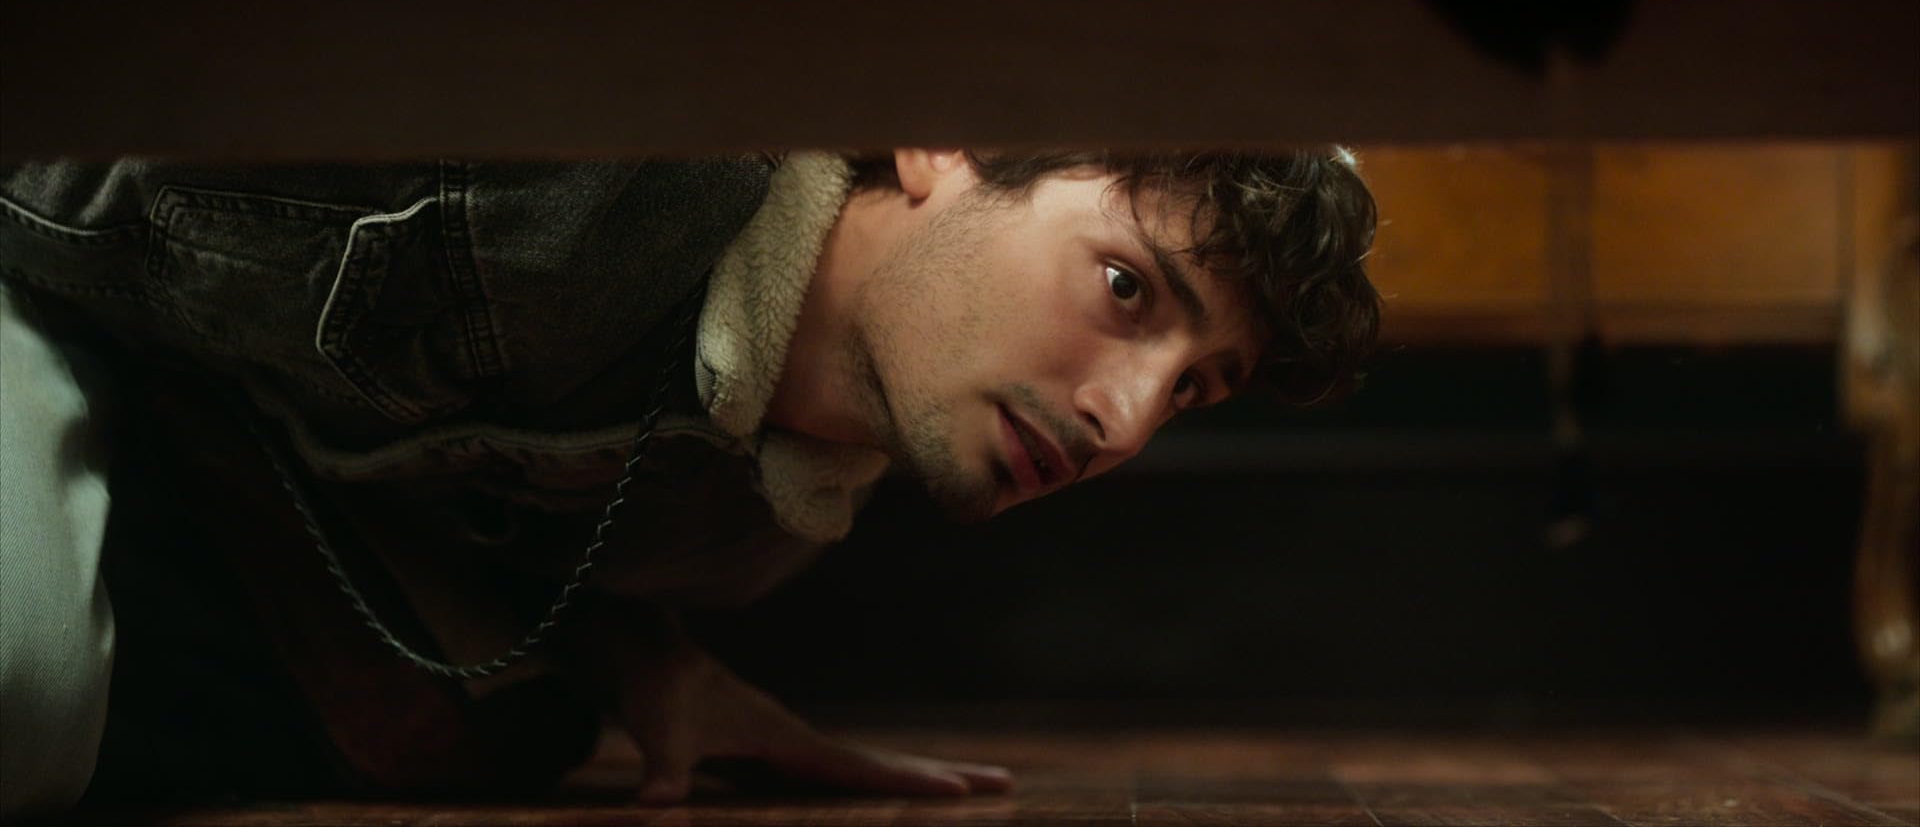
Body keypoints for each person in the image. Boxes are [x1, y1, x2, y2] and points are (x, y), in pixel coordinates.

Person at [0, 148, 1379, 814]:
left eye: (1193, 388)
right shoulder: (571, 173)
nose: (1123, 425)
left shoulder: (770, 524)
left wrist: (640, 662)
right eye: (1128, 288)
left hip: (200, 402)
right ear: (941, 141)